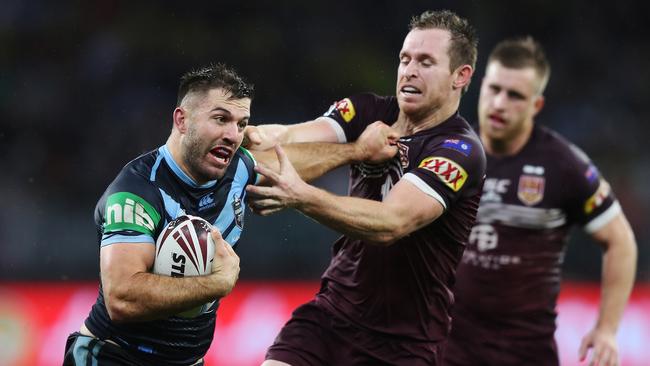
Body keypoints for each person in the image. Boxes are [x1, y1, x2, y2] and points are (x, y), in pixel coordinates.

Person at [63, 63, 398, 365]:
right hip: (114, 357)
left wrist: (357, 151)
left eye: (242, 124)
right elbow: (121, 299)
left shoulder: (236, 168)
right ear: (182, 120)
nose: (233, 134)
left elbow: (288, 165)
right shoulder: (137, 192)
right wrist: (216, 283)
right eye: (220, 119)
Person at [244, 10, 485, 366]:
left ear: (460, 76)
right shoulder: (368, 111)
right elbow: (287, 142)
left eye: (426, 61)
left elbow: (391, 223)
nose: (409, 70)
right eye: (405, 58)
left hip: (403, 344)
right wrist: (258, 136)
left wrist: (301, 196)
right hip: (329, 317)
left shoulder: (459, 151)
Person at [443, 37, 638, 366]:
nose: (499, 103)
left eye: (515, 95)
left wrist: (606, 329)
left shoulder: (564, 165)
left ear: (536, 106)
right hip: (447, 351)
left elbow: (621, 241)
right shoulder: (450, 153)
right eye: (494, 89)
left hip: (524, 354)